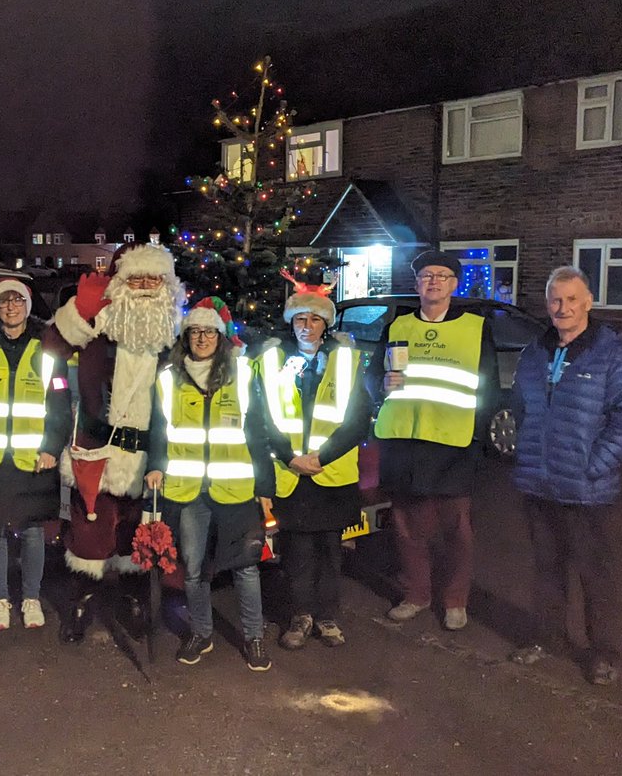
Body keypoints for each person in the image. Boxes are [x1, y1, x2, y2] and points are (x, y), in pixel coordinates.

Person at [508, 266, 622, 685]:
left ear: (588, 303)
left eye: (571, 299)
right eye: (555, 299)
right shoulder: (535, 353)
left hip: (587, 490)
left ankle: (603, 652)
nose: (562, 307)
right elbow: (520, 407)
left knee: (595, 576)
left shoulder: (611, 355)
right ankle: (544, 638)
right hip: (540, 483)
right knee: (547, 569)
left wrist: (595, 464)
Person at [40, 243, 185, 643]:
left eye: (152, 278)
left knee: (133, 536)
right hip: (97, 452)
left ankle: (131, 600)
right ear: (120, 283)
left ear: (164, 284)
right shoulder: (99, 323)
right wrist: (79, 313)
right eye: (135, 278)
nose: (143, 285)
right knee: (90, 536)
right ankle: (82, 603)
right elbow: (51, 348)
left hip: (144, 457)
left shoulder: (170, 333)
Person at [369, 249, 498, 631]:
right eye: (427, 276)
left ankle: (455, 600)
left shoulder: (475, 328)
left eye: (442, 276)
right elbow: (374, 375)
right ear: (417, 284)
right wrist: (379, 383)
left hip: (452, 444)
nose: (434, 282)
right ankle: (417, 594)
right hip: (404, 442)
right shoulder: (397, 325)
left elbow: (488, 387)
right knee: (408, 527)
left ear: (455, 285)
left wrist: (477, 436)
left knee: (456, 530)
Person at [145, 297, 273, 671]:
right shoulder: (168, 378)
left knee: (245, 567)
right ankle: (202, 632)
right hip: (187, 488)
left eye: (209, 332)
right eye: (195, 332)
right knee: (195, 567)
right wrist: (155, 464)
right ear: (186, 337)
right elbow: (158, 429)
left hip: (235, 489)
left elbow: (258, 433)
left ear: (220, 336)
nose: (202, 338)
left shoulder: (243, 375)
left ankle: (253, 637)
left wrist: (265, 486)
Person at [258, 275, 374, 650]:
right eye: (299, 320)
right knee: (296, 553)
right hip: (291, 473)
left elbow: (358, 419)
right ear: (291, 323)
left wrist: (320, 457)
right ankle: (300, 616)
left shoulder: (347, 361)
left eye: (315, 320)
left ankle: (327, 617)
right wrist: (291, 457)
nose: (306, 327)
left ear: (327, 324)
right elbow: (261, 417)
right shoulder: (270, 361)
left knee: (329, 551)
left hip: (331, 473)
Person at [0, 279, 71, 631]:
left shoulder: (46, 351)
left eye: (17, 301)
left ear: (27, 306)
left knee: (31, 531)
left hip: (33, 458)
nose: (11, 307)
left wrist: (52, 448)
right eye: (4, 302)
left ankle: (30, 598)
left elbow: (60, 405)